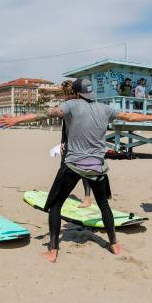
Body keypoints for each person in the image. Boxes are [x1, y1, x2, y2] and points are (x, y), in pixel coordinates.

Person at [0, 78, 152, 263]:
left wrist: (17, 119)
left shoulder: (71, 105)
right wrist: (151, 117)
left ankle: (52, 250)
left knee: (55, 205)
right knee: (103, 205)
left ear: (76, 92)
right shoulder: (105, 108)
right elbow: (129, 117)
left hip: (74, 165)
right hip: (97, 167)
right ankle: (114, 244)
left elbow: (45, 114)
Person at [59, 80, 93, 208]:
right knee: (64, 166)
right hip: (70, 139)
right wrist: (63, 141)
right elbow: (65, 125)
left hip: (80, 140)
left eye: (66, 93)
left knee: (83, 169)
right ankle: (62, 192)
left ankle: (87, 198)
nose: (65, 96)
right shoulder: (68, 104)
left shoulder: (78, 104)